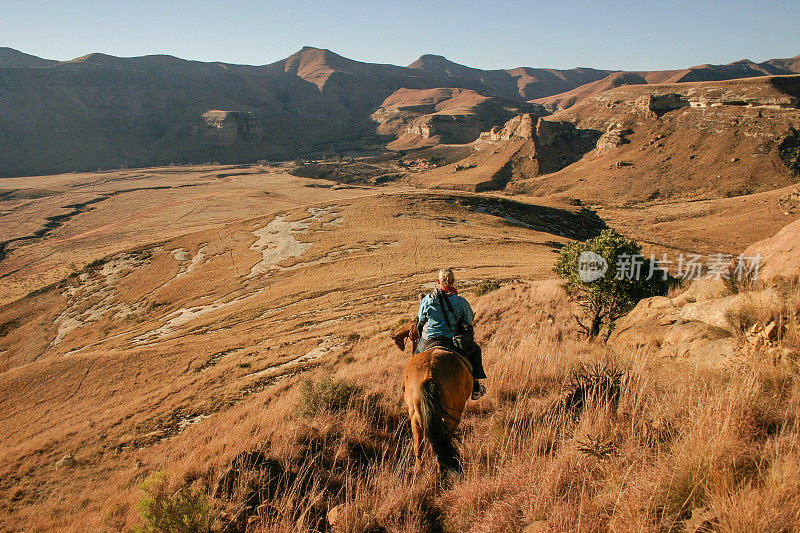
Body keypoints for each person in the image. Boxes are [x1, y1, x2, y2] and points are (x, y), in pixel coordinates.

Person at [416, 268, 486, 400]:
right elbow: (469, 320)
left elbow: (420, 320)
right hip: (452, 341)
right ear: (453, 282)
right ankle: (476, 387)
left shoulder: (427, 300)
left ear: (438, 281)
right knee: (475, 351)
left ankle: (410, 386)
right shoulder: (460, 302)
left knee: (416, 358)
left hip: (430, 340)